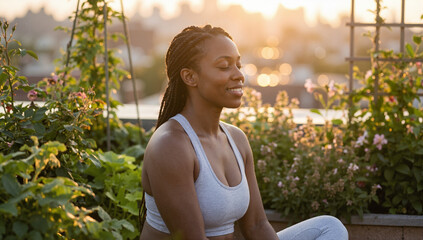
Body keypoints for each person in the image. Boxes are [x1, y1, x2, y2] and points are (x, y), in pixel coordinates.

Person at [139, 24, 348, 240]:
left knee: (330, 228)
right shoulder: (171, 145)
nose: (239, 75)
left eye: (238, 65)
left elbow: (257, 226)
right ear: (190, 77)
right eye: (224, 66)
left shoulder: (235, 139)